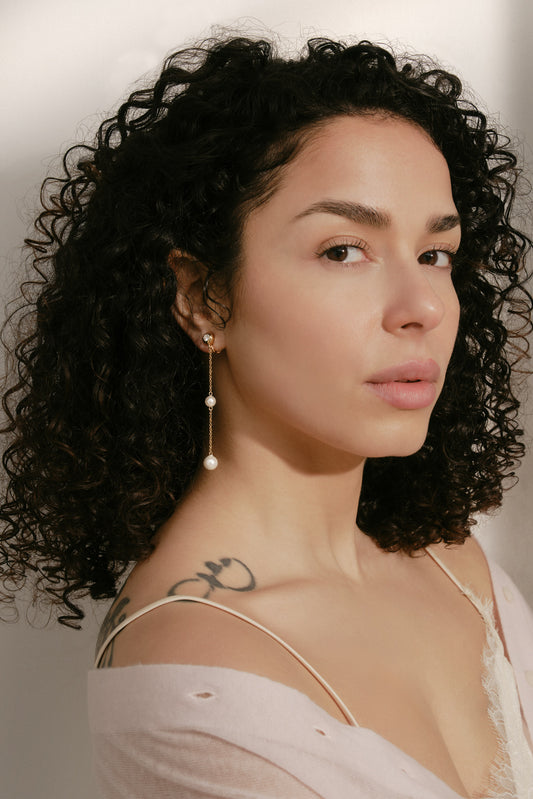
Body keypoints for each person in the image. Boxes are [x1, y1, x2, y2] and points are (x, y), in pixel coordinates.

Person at [1, 33, 533, 798]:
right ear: (203, 296)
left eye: (434, 255)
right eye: (344, 250)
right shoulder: (196, 675)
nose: (420, 309)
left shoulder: (458, 566)